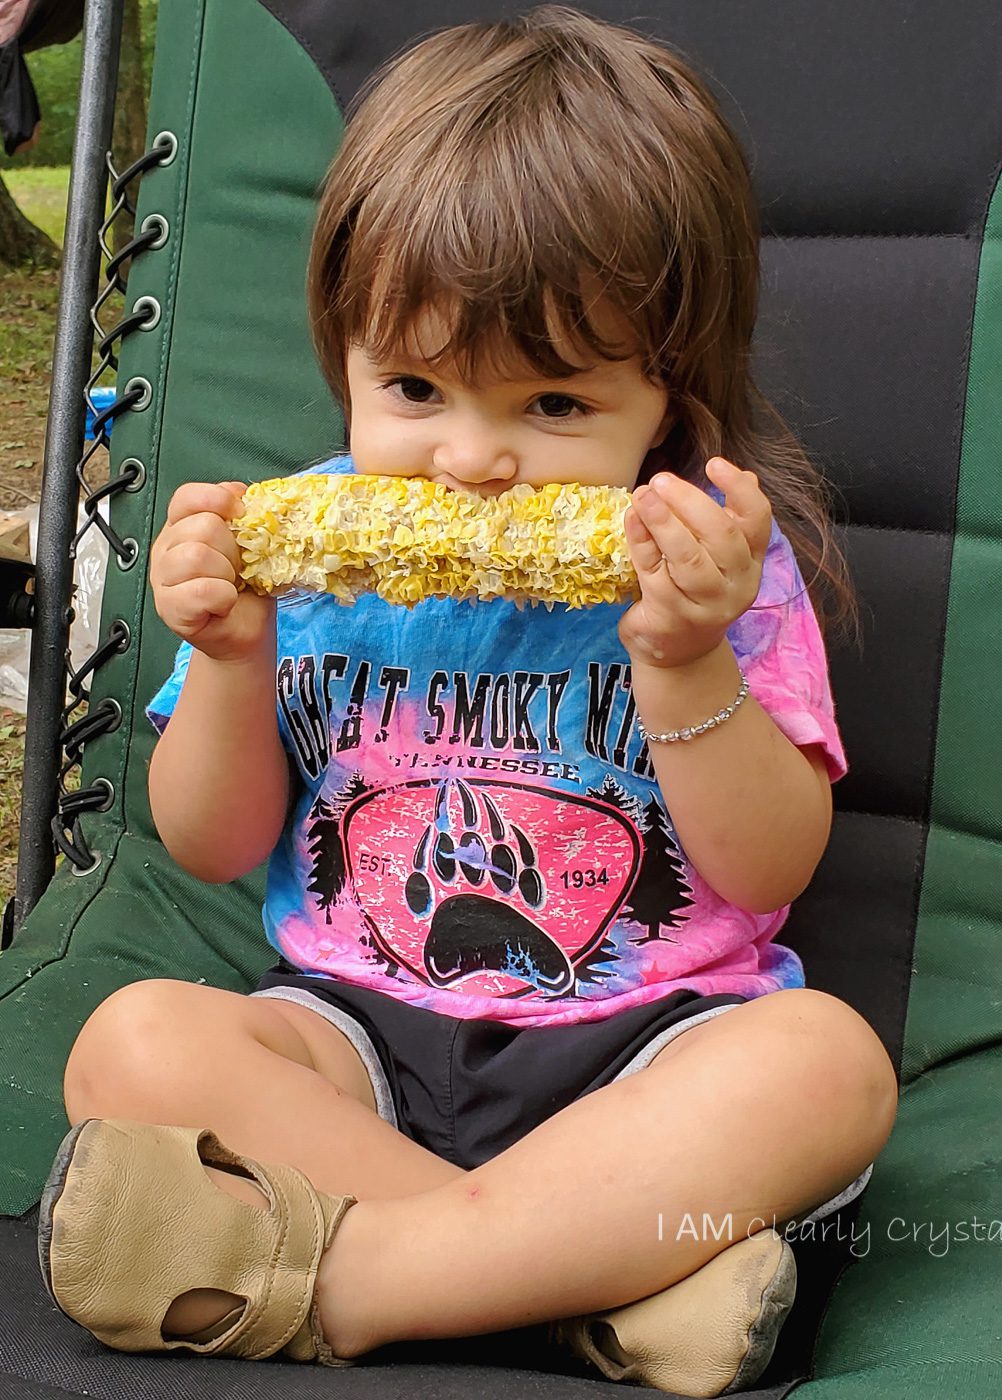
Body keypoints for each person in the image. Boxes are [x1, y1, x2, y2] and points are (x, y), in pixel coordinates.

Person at [37, 6, 898, 1395]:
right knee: (131, 1044)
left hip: (643, 1054)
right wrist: (237, 661)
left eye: (552, 405)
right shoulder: (301, 556)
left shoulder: (711, 563)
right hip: (357, 1036)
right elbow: (208, 841)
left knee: (825, 1068)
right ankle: (577, 1292)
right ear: (345, 354)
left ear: (667, 393)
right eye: (416, 386)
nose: (471, 459)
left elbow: (767, 867)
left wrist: (681, 659)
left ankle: (358, 1278)